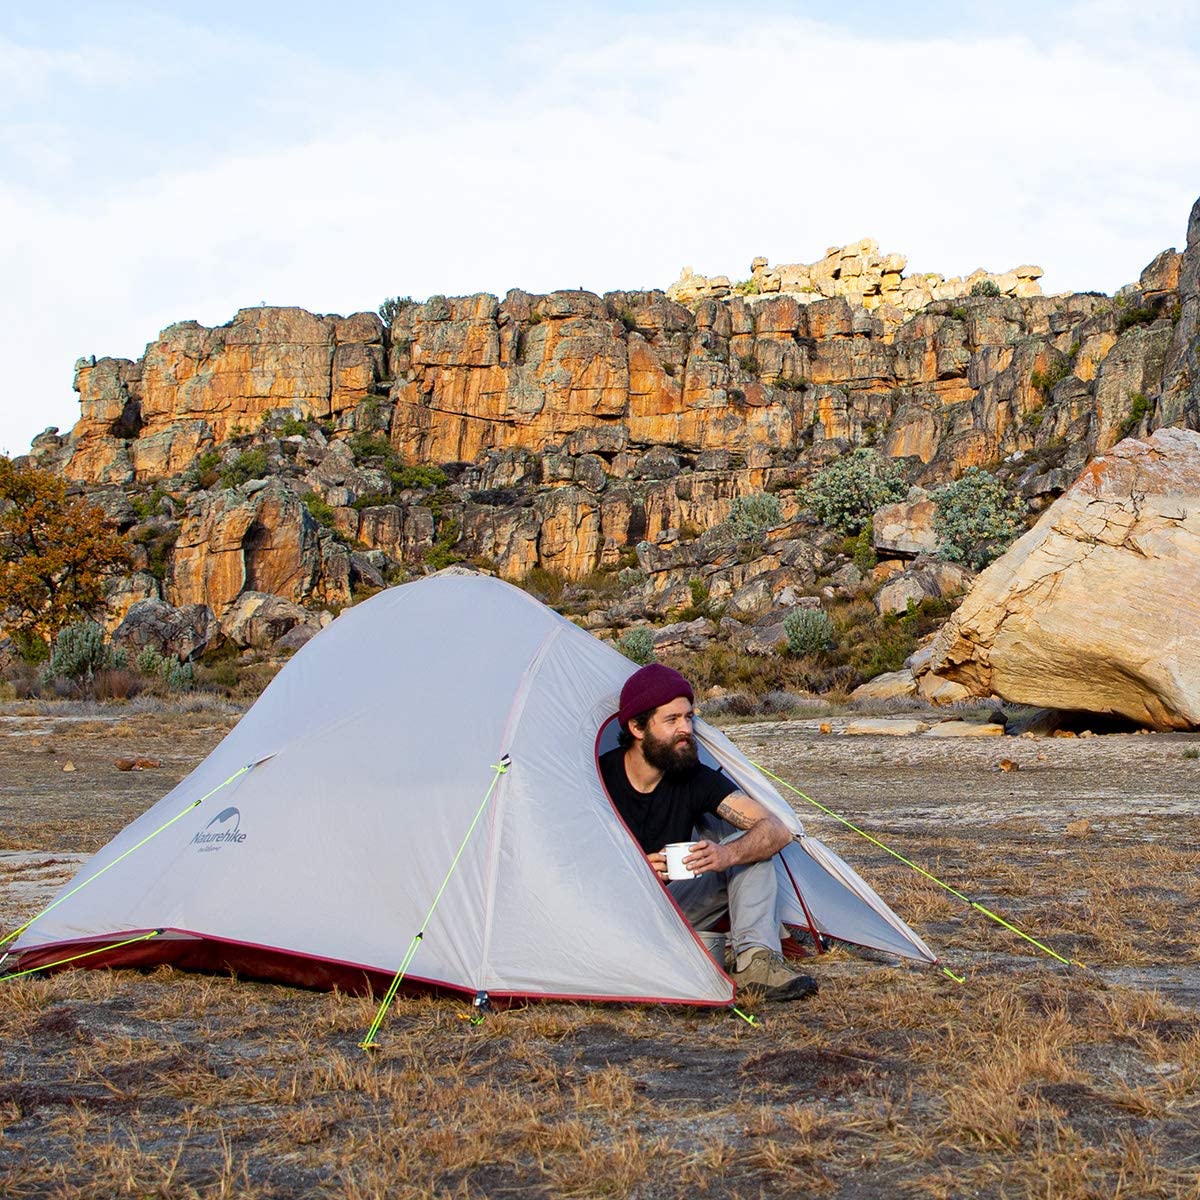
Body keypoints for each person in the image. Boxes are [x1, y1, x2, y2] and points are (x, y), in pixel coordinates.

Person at [599, 663, 817, 1001]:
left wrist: (724, 855)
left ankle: (756, 963)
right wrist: (635, 868)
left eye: (689, 717)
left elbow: (776, 829)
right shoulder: (599, 777)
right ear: (637, 727)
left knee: (752, 851)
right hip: (606, 913)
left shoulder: (692, 776)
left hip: (674, 904)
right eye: (672, 720)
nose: (686, 729)